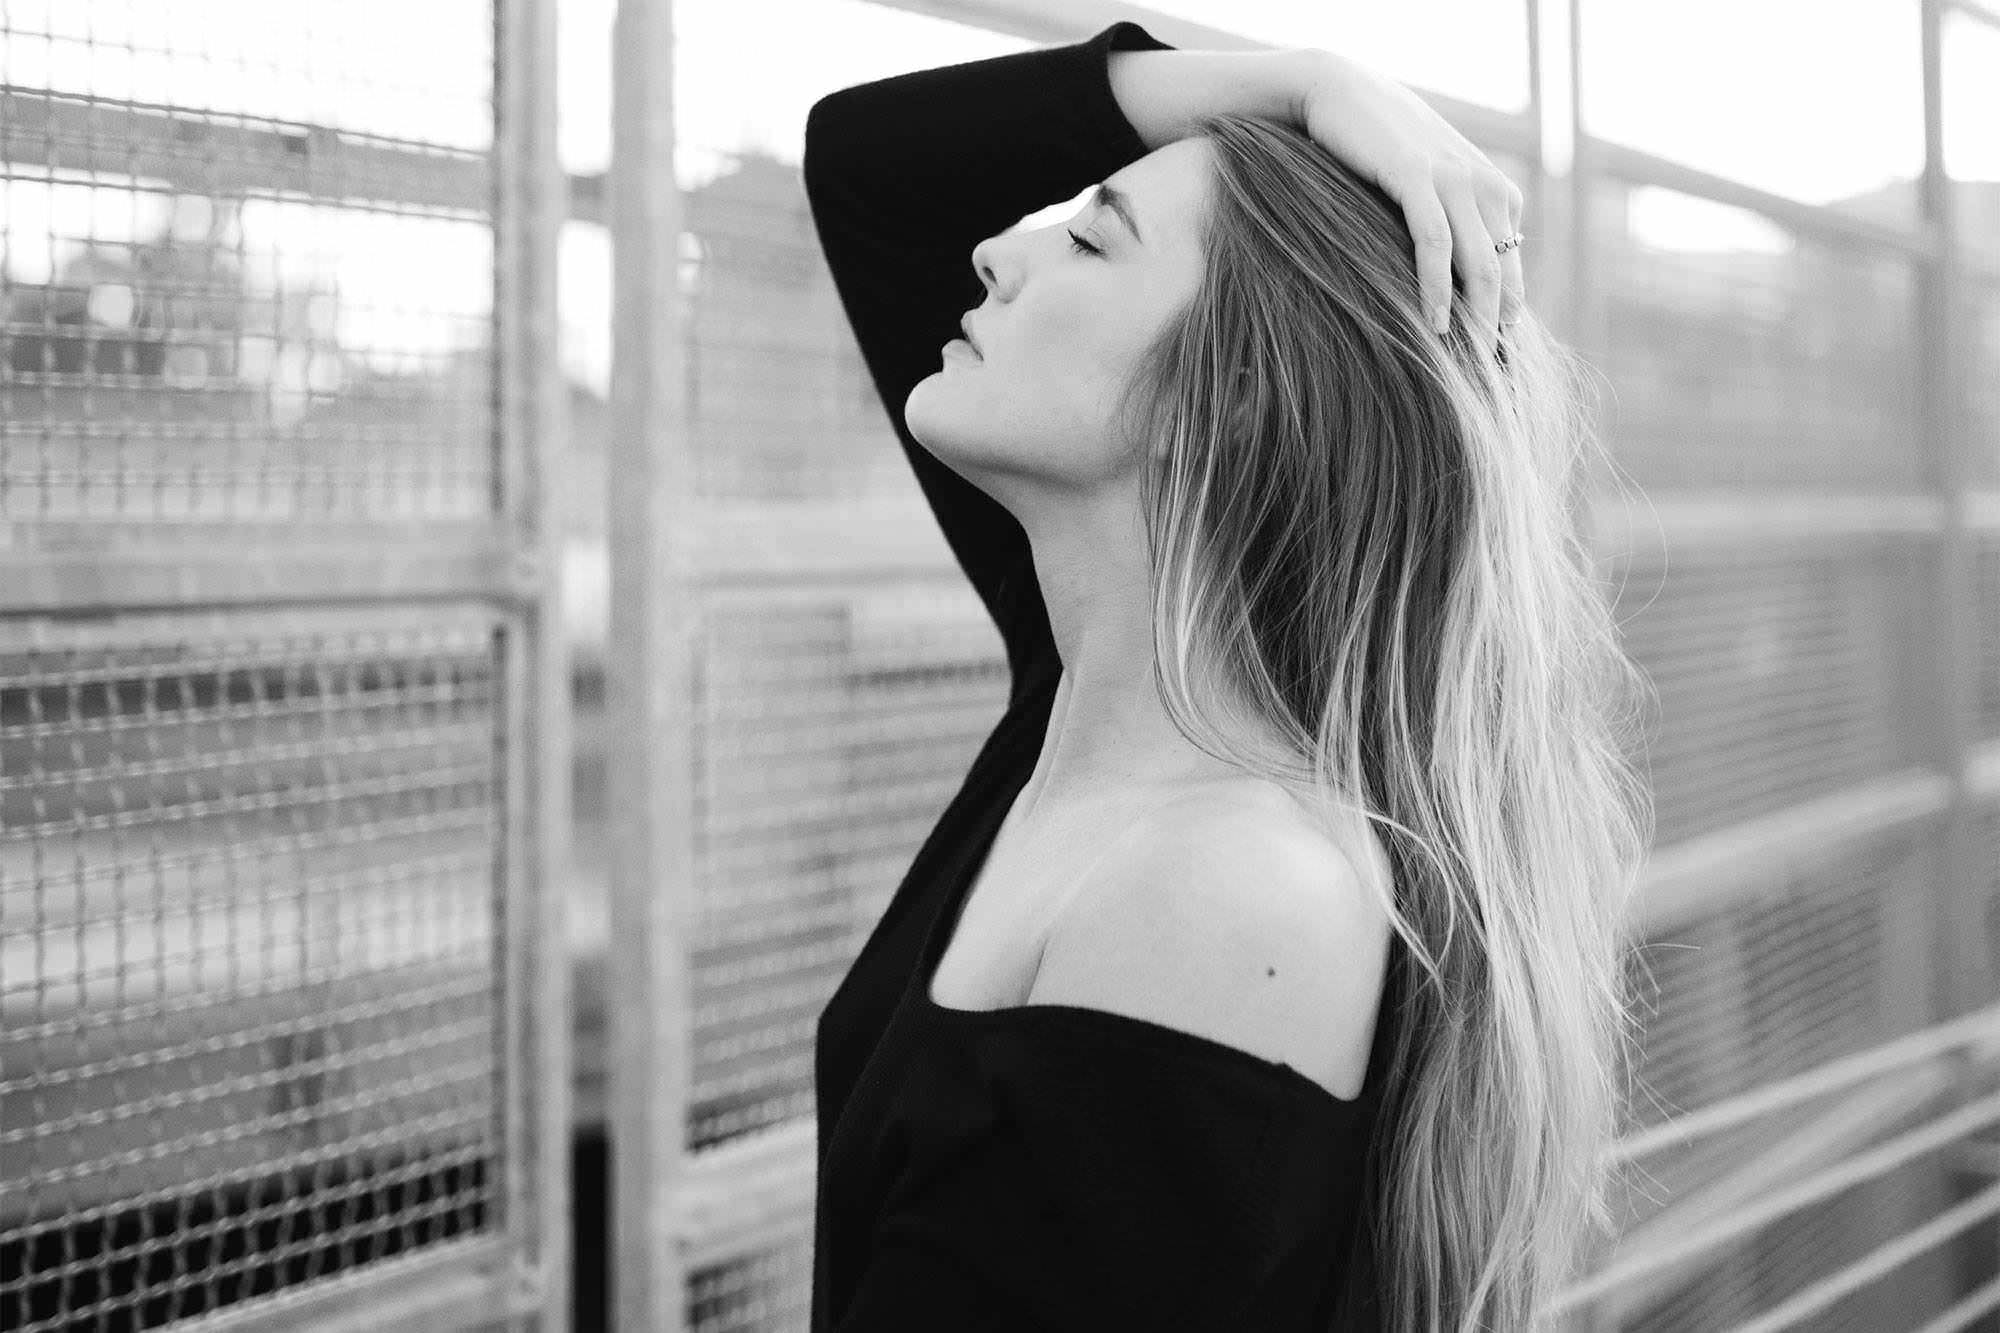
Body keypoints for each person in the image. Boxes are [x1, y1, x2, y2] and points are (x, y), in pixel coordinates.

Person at [802, 19, 1652, 1331]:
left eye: (1091, 242)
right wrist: (1308, 81)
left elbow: (879, 179)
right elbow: (870, 167)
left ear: (1232, 396)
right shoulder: (1090, 709)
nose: (998, 251)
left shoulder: (1219, 892)